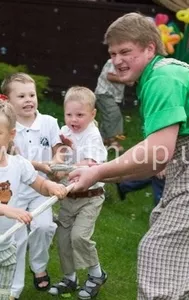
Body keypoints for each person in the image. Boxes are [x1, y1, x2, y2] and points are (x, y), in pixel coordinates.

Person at [68, 13, 189, 300]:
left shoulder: (161, 77)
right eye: (112, 53)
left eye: (126, 51)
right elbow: (155, 159)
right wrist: (100, 171)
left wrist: (98, 173)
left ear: (150, 48)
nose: (117, 60)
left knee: (160, 249)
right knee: (171, 245)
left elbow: (156, 155)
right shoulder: (160, 74)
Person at [1, 73, 63, 299]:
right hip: (14, 190)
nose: (29, 100)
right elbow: (16, 159)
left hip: (38, 187)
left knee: (44, 227)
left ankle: (37, 267)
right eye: (21, 96)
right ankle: (10, 289)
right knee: (12, 241)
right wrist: (41, 165)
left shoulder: (48, 122)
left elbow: (59, 150)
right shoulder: (6, 127)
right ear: (8, 100)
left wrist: (56, 164)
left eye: (32, 95)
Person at [48, 86, 108, 300]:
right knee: (64, 239)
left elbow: (88, 163)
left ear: (92, 115)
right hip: (69, 196)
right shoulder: (64, 132)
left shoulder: (92, 135)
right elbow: (57, 157)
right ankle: (69, 278)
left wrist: (65, 166)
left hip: (90, 197)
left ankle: (96, 273)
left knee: (79, 236)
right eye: (69, 114)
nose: (74, 119)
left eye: (80, 115)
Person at [95, 58, 127, 152]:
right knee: (114, 114)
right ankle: (113, 140)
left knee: (107, 116)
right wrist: (125, 79)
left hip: (113, 95)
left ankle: (102, 140)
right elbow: (109, 76)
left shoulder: (128, 64)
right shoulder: (113, 61)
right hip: (104, 93)